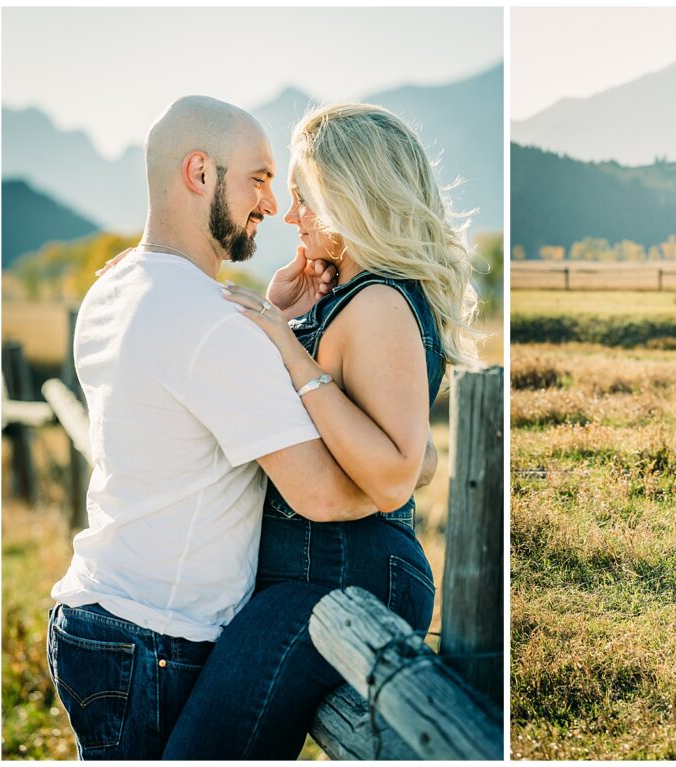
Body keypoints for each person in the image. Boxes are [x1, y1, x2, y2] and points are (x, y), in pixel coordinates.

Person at [43, 96, 398, 760]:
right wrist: (401, 470)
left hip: (92, 619)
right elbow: (320, 494)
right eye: (258, 179)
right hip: (155, 640)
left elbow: (182, 386)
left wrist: (271, 316)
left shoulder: (112, 290)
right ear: (200, 173)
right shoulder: (209, 321)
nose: (271, 204)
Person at [161, 103, 480, 759]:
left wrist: (292, 348)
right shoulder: (346, 297)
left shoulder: (382, 304)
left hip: (338, 573)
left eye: (305, 197)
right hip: (309, 573)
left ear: (350, 199)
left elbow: (394, 469)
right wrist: (274, 312)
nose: (290, 214)